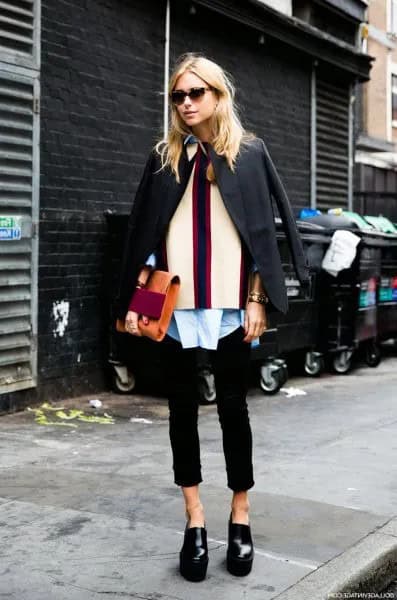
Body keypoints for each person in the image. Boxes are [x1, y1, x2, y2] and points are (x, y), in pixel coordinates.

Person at [116, 53, 309, 582]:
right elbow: (145, 236)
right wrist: (139, 302)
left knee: (232, 411)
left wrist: (256, 298)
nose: (185, 104)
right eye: (178, 96)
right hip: (177, 306)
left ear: (219, 96)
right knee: (180, 411)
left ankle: (240, 515)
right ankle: (194, 520)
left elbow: (261, 235)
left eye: (195, 93)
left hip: (229, 303)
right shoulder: (164, 158)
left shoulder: (248, 154)